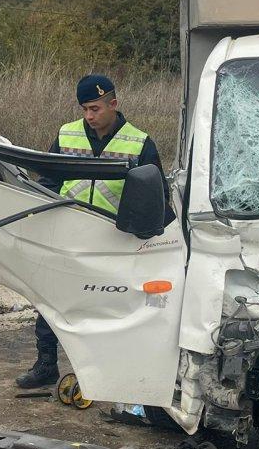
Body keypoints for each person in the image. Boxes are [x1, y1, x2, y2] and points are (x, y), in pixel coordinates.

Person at [14, 74, 164, 389]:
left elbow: (156, 196)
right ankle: (46, 365)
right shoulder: (66, 135)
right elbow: (48, 182)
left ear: (113, 103)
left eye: (95, 109)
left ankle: (111, 373)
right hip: (66, 238)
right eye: (84, 110)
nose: (89, 117)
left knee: (110, 311)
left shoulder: (139, 142)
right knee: (51, 302)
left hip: (113, 242)